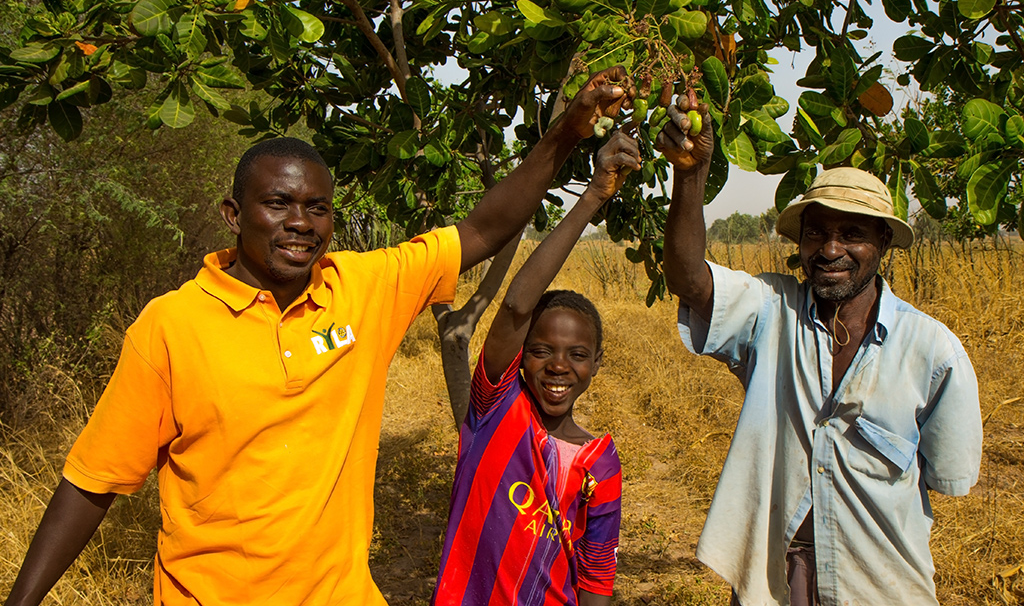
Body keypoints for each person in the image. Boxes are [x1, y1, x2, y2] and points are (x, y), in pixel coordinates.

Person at [3, 67, 634, 606]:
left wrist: (567, 132)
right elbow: (92, 483)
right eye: (278, 204)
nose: (300, 224)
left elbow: (483, 229)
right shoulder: (171, 327)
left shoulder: (361, 288)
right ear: (234, 214)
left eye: (317, 208)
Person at [655, 98, 983, 606]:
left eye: (852, 234)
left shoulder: (932, 350)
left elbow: (949, 475)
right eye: (817, 233)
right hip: (774, 579)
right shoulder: (772, 310)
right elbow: (689, 279)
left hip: (878, 585)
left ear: (883, 242)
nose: (830, 250)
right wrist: (691, 177)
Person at [432, 131, 640, 606]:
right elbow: (514, 309)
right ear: (520, 353)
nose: (558, 367)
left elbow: (596, 574)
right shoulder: (496, 409)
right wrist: (592, 197)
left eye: (577, 355)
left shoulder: (600, 464)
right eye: (542, 350)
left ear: (596, 364)